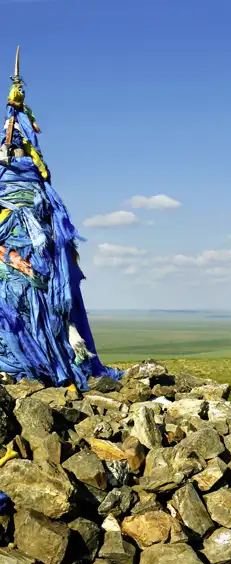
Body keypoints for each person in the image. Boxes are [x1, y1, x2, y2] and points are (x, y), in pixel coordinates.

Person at [0, 47, 119, 391]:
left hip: (27, 253)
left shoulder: (37, 199)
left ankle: (39, 362)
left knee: (29, 300)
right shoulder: (30, 197)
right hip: (20, 254)